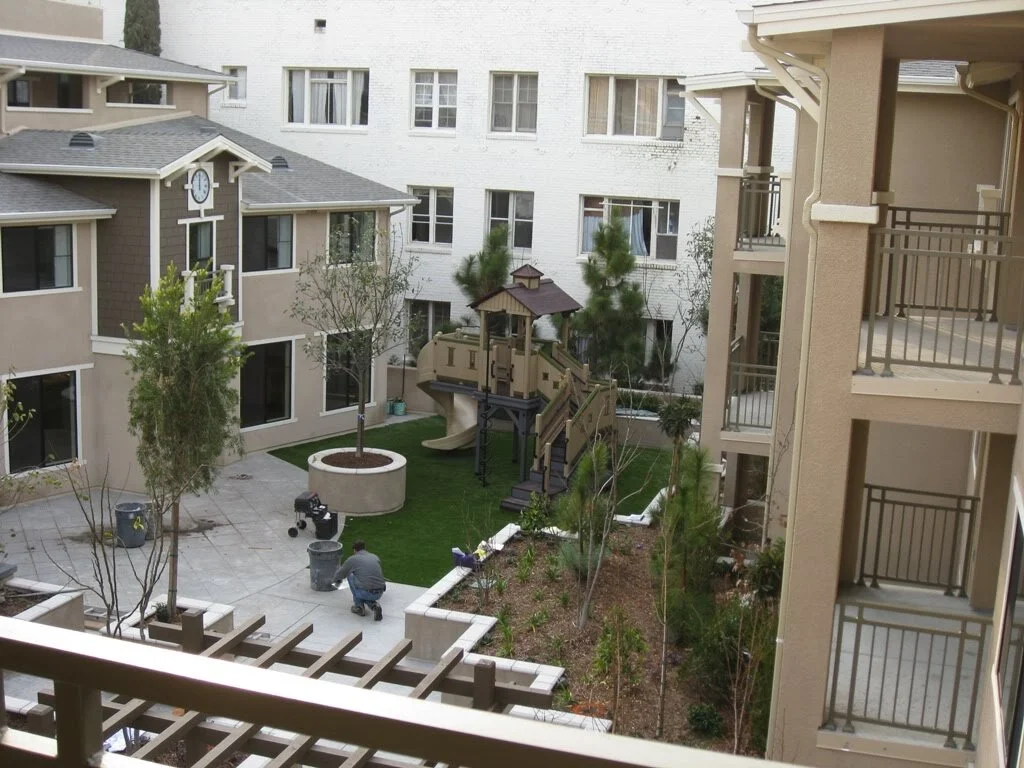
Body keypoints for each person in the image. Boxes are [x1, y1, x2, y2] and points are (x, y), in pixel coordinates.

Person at [334, 540, 386, 621]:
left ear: (354, 550)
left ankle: (359, 607)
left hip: (366, 592)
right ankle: (374, 606)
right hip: (380, 592)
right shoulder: (374, 557)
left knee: (350, 575)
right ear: (364, 548)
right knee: (365, 588)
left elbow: (341, 573)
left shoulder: (353, 559)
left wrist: (335, 580)